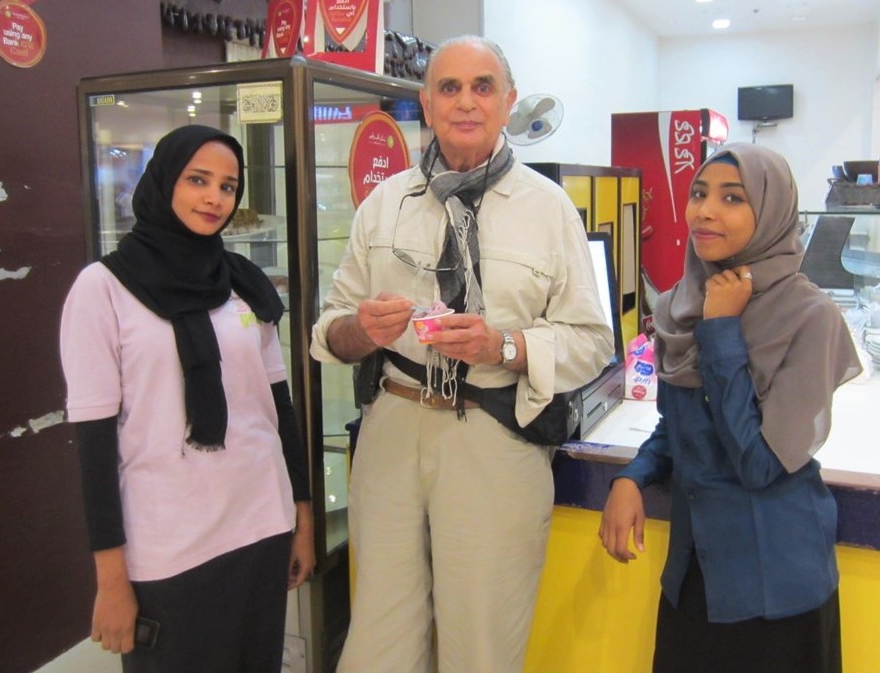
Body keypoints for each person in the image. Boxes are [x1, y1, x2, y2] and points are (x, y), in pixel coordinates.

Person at [310, 35, 615, 672]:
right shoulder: (384, 204)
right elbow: (331, 331)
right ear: (426, 102)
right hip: (391, 432)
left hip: (494, 439)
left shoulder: (549, 209)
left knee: (482, 645)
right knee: (379, 645)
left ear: (507, 103)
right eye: (449, 88)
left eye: (482, 87)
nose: (465, 102)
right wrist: (362, 330)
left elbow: (592, 343)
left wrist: (502, 344)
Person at [59, 125, 315, 673]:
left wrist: (303, 515)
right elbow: (95, 448)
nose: (214, 198)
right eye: (198, 180)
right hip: (169, 546)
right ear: (162, 183)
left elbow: (278, 409)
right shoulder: (102, 289)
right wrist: (110, 580)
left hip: (261, 525)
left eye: (228, 186)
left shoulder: (242, 282)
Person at [599, 143, 862, 673]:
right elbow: (681, 428)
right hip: (695, 576)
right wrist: (633, 477)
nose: (705, 210)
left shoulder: (810, 318)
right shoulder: (682, 304)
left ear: (771, 212)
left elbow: (758, 463)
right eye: (699, 193)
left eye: (732, 198)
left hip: (774, 588)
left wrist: (721, 331)